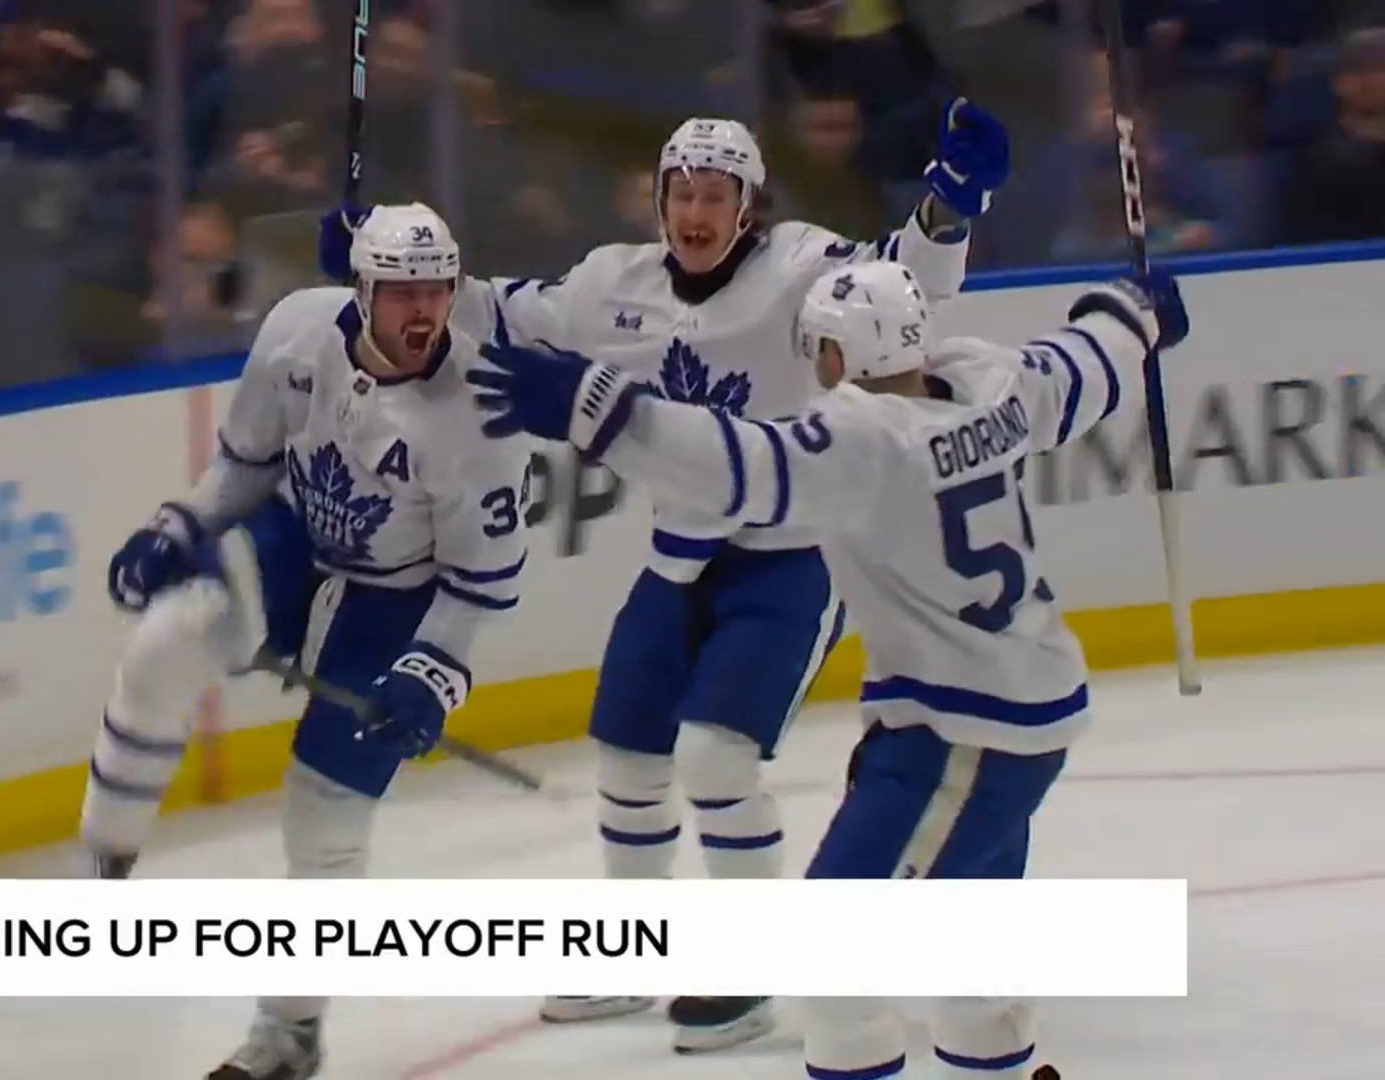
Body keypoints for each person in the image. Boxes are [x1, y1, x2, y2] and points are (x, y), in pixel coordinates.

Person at [319, 100, 1011, 1052]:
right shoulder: (611, 285)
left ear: (749, 208)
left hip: (790, 559)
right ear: (658, 200)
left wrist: (949, 209)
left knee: (716, 762)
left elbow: (905, 284)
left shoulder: (802, 267)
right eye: (681, 192)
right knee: (631, 764)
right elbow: (483, 307)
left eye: (715, 195)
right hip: (678, 559)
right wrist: (377, 274)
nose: (694, 212)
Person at [464, 259, 1191, 1080]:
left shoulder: (863, 438)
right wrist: (1132, 313)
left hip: (964, 731)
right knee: (973, 971)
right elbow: (1079, 365)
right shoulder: (992, 383)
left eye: (816, 353)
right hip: (1001, 707)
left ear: (838, 357)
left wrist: (599, 410)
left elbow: (736, 465)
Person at [79, 203, 532, 1080]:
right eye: (400, 289)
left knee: (324, 819)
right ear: (360, 289)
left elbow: (480, 586)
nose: (421, 310)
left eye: (437, 289)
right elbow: (246, 467)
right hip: (296, 543)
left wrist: (430, 678)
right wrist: (176, 527)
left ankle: (288, 1036)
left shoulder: (480, 415)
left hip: (397, 603)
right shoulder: (296, 331)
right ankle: (104, 856)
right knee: (167, 642)